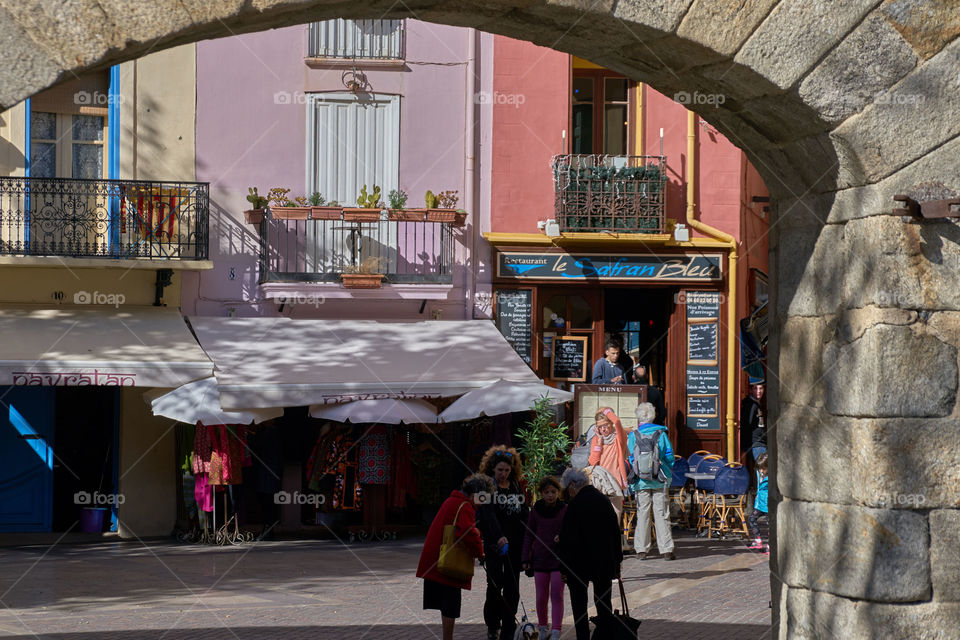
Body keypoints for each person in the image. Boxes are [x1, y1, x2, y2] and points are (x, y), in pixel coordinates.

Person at [417, 473, 492, 640]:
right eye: (483, 498)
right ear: (475, 494)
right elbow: (466, 532)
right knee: (450, 604)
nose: (483, 502)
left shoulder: (451, 501)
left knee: (446, 604)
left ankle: (447, 637)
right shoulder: (465, 505)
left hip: (437, 559)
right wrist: (480, 552)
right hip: (448, 562)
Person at [557, 468, 622, 640]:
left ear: (572, 486)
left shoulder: (575, 505)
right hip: (604, 562)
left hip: (578, 564)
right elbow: (616, 533)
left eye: (567, 490)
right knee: (603, 603)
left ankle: (583, 637)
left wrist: (563, 567)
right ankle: (605, 636)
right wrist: (617, 562)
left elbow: (566, 538)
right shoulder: (603, 500)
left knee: (579, 606)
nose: (568, 494)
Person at [477, 445, 529, 640]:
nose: (503, 474)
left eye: (507, 470)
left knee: (513, 586)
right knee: (494, 584)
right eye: (500, 470)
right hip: (494, 544)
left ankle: (508, 626)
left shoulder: (516, 485)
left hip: (514, 543)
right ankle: (492, 624)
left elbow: (524, 511)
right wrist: (498, 536)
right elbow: (485, 515)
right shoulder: (484, 486)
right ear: (492, 468)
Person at [628, 402, 676, 560]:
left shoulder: (633, 435)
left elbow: (631, 457)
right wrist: (667, 470)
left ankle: (641, 550)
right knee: (662, 512)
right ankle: (666, 549)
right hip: (660, 479)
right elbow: (669, 456)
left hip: (640, 480)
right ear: (653, 416)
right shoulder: (661, 434)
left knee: (642, 513)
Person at [521, 476, 567, 640]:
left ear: (558, 493)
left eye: (553, 492)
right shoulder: (536, 510)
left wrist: (562, 537)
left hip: (558, 560)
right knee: (541, 596)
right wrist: (525, 557)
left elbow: (570, 531)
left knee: (557, 594)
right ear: (541, 493)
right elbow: (528, 534)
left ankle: (556, 629)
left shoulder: (564, 509)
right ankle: (542, 626)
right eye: (547, 492)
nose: (550, 495)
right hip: (540, 559)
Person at [587, 407, 628, 520]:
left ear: (611, 424)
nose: (603, 429)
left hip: (615, 483)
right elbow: (593, 462)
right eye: (600, 427)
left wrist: (605, 410)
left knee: (615, 519)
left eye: (605, 425)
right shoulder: (596, 439)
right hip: (600, 483)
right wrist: (599, 444)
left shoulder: (619, 438)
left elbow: (617, 421)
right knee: (598, 520)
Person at [748, 452, 769, 555]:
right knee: (751, 519)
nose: (761, 471)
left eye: (763, 468)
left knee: (771, 526)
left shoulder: (772, 477)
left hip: (768, 505)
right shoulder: (758, 472)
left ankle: (770, 546)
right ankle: (758, 540)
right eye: (759, 468)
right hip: (760, 504)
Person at [740, 381, 766, 464]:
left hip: (758, 443)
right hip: (756, 444)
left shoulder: (756, 404)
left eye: (761, 388)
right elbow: (747, 424)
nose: (759, 391)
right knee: (763, 470)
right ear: (751, 390)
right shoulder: (751, 405)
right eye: (755, 388)